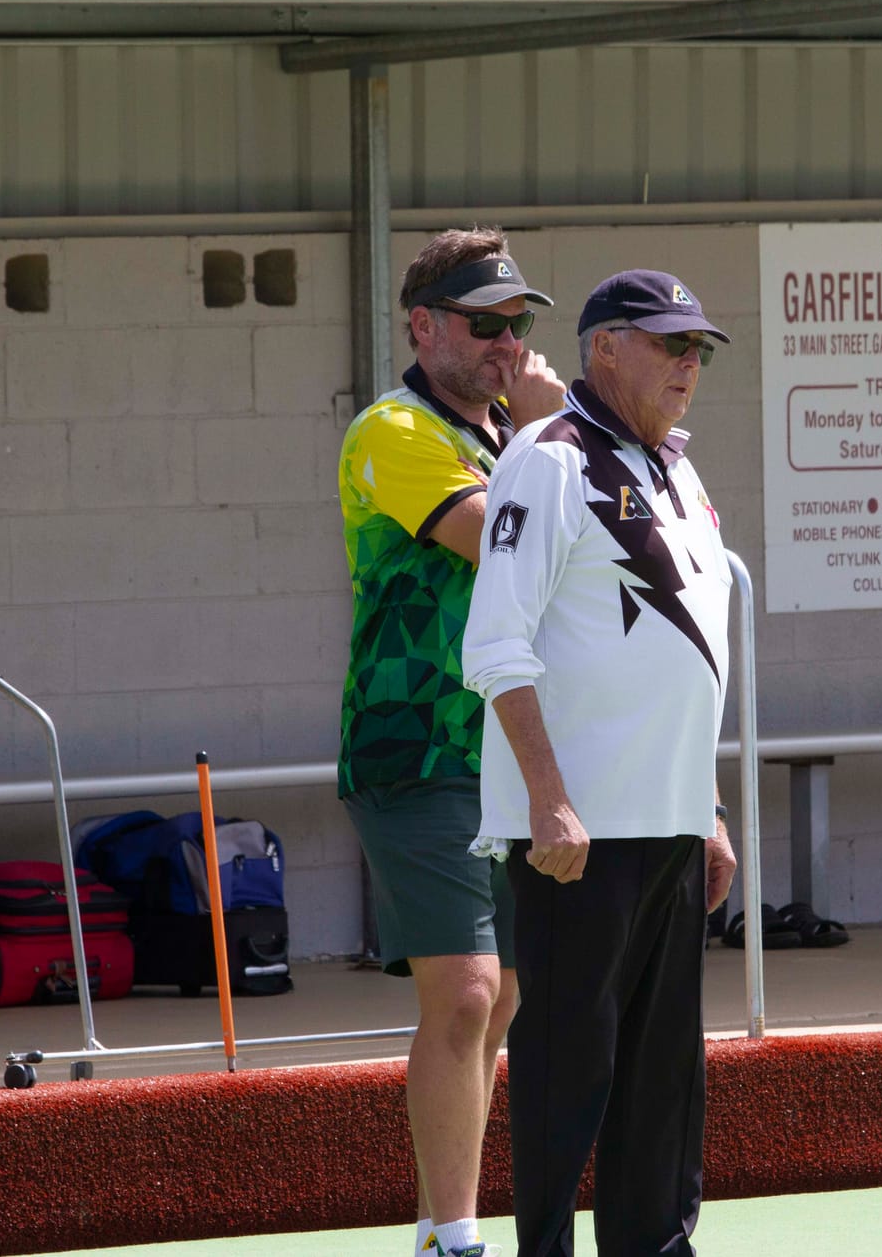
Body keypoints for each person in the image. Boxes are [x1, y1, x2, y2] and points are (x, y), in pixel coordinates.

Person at [462, 270, 740, 1256]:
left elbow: (684, 657)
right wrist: (548, 801)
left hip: (665, 825)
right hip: (578, 836)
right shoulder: (547, 459)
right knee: (564, 1074)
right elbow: (495, 645)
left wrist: (705, 808)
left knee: (663, 1079)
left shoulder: (677, 468)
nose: (686, 365)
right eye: (667, 345)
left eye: (696, 350)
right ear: (603, 349)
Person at [337, 227, 568, 1257]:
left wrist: (549, 439)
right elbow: (499, 539)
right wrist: (552, 437)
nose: (508, 346)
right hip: (414, 748)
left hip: (507, 751)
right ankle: (455, 1239)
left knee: (505, 993)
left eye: (518, 326)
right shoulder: (392, 429)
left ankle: (443, 1221)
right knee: (467, 989)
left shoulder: (512, 437)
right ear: (423, 326)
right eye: (485, 326)